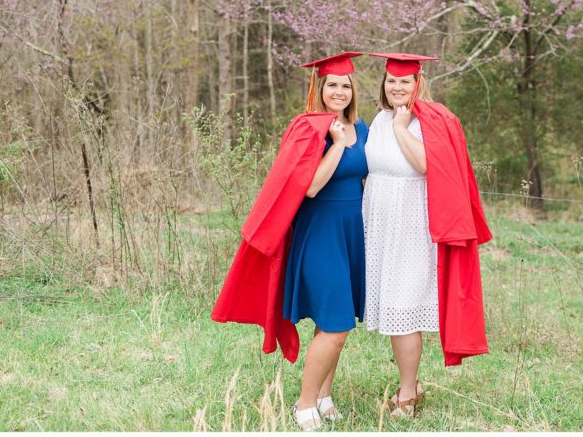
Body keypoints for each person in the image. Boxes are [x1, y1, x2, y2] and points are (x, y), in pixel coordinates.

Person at [210, 52, 368, 432]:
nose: (339, 92)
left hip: (350, 234)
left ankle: (326, 397)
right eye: (332, 84)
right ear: (319, 87)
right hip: (319, 234)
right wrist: (335, 145)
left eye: (346, 86)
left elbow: (364, 179)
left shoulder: (361, 128)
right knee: (336, 324)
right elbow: (311, 186)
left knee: (335, 322)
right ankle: (304, 403)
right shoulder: (308, 128)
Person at [362, 52, 492, 418]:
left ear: (418, 84)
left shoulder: (430, 120)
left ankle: (407, 394)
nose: (397, 87)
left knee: (403, 308)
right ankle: (411, 383)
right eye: (391, 81)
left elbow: (424, 165)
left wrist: (404, 128)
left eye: (404, 81)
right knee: (391, 307)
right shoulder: (379, 118)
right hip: (380, 224)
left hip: (411, 225)